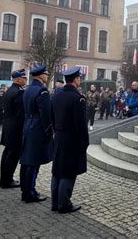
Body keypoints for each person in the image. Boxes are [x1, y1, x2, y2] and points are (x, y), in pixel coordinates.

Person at [50, 67, 89, 213]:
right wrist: (84, 143)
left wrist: (57, 131)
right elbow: (81, 124)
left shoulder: (56, 95)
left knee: (57, 170)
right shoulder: (78, 98)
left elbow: (51, 117)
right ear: (76, 79)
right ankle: (64, 204)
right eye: (80, 78)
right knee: (68, 172)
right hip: (72, 139)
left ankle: (55, 202)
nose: (80, 80)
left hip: (59, 137)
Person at [20, 65, 53, 203]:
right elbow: (46, 114)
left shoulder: (27, 90)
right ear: (40, 75)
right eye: (46, 74)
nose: (47, 76)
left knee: (26, 161)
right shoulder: (42, 91)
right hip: (38, 128)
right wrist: (49, 131)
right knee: (33, 163)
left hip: (27, 126)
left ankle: (25, 190)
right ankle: (30, 192)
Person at [0, 69, 27, 189]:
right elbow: (21, 113)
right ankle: (7, 180)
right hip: (16, 128)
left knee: (7, 154)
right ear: (18, 79)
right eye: (24, 78)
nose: (25, 79)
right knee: (13, 155)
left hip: (8, 126)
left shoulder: (10, 90)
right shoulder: (19, 92)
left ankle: (4, 179)